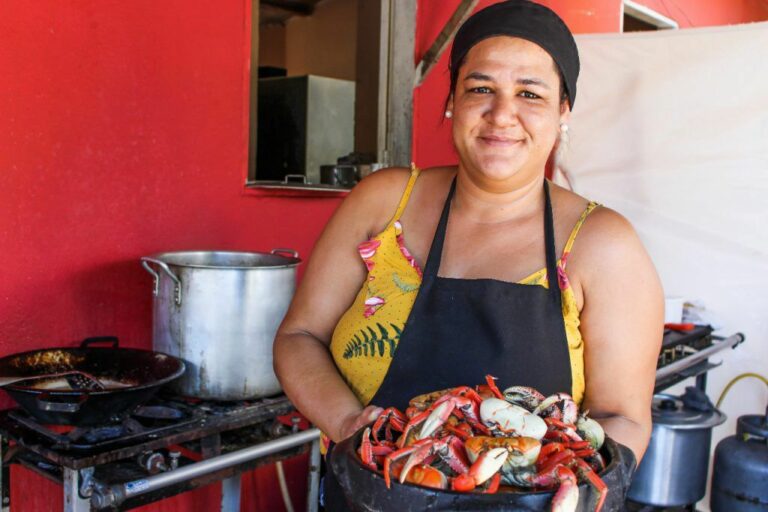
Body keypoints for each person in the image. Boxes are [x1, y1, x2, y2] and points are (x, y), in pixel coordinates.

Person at [274, 0, 663, 508]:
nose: (502, 114)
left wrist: (575, 487)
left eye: (530, 93)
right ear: (451, 100)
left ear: (563, 112)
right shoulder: (385, 202)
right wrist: (349, 422)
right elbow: (300, 336)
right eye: (481, 88)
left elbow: (624, 416)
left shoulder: (602, 244)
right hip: (367, 497)